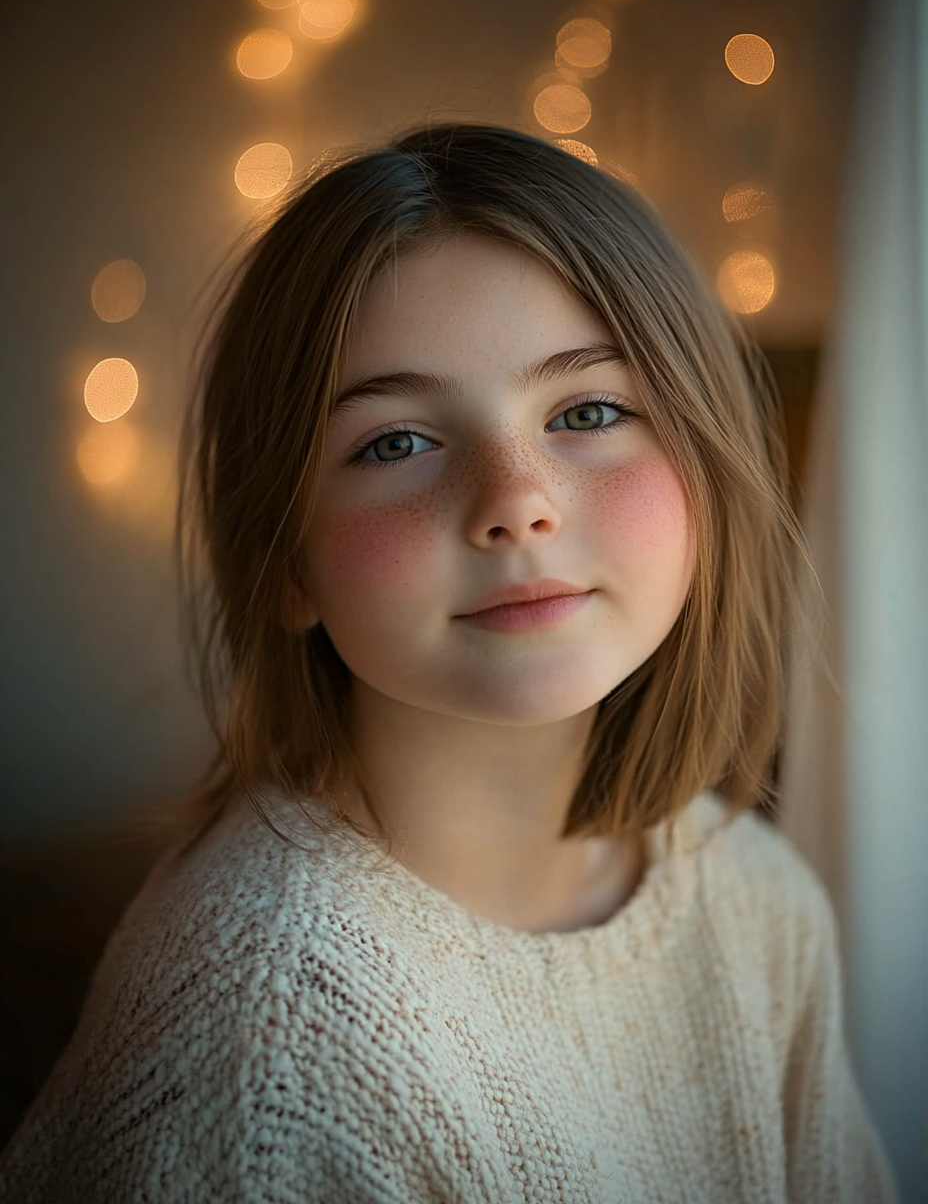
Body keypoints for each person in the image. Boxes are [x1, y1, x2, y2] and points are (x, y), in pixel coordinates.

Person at [0, 122, 900, 1203]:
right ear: (284, 560)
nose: (516, 499)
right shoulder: (264, 1063)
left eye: (588, 411)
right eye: (396, 442)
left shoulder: (750, 896)